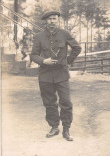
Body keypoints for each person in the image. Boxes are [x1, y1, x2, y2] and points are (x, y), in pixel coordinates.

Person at [30, 11, 81, 141]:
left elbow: (77, 48)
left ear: (57, 20)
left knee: (66, 102)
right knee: (49, 103)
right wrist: (43, 61)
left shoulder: (64, 34)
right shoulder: (39, 36)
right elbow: (33, 55)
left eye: (54, 19)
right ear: (46, 21)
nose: (52, 21)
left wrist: (67, 61)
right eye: (50, 19)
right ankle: (54, 127)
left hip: (61, 74)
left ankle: (66, 129)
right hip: (45, 75)